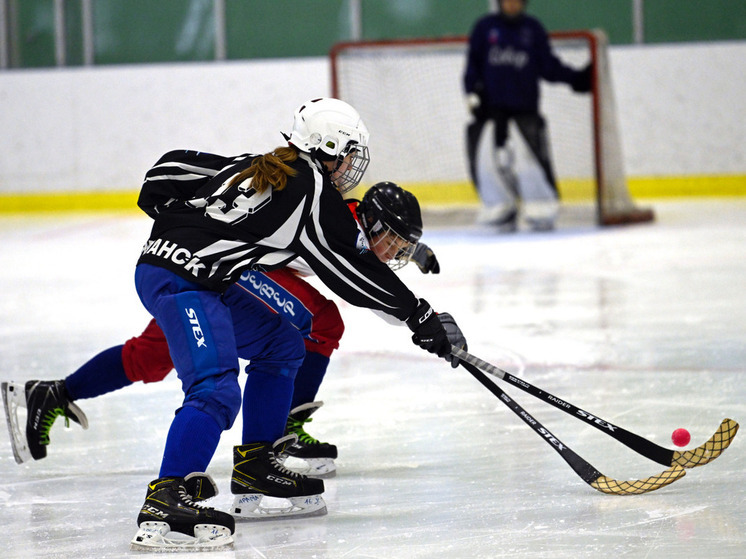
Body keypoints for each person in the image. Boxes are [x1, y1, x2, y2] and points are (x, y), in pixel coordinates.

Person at [11, 97, 466, 552]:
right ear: (328, 148)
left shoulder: (266, 166)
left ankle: (257, 463)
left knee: (283, 344)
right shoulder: (310, 189)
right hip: (186, 279)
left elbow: (165, 172)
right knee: (217, 387)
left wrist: (177, 222)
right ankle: (165, 501)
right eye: (348, 153)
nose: (351, 166)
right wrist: (419, 315)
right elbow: (347, 266)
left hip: (204, 277)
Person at [2, 182, 442, 484]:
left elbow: (372, 253)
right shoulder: (342, 228)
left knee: (153, 355)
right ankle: (283, 426)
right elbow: (371, 288)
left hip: (203, 268)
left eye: (403, 248)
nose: (397, 253)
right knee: (322, 321)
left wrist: (416, 251)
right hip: (237, 271)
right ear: (375, 226)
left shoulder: (356, 219)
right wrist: (417, 319)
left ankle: (56, 392)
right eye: (397, 244)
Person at [464, 0, 592, 232]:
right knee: (487, 163)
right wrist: (471, 92)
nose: (512, 4)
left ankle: (540, 209)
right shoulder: (485, 27)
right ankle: (499, 209)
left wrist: (576, 78)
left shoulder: (532, 29)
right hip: (491, 112)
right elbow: (473, 64)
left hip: (525, 111)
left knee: (530, 163)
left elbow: (548, 66)